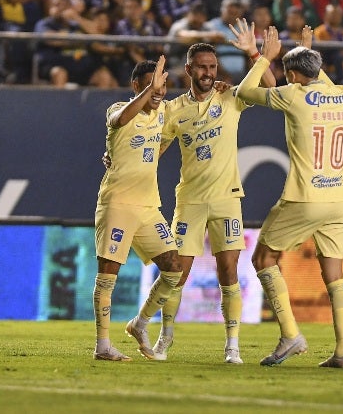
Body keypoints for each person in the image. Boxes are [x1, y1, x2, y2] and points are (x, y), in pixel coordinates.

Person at [150, 30, 275, 363]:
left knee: (229, 272)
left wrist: (254, 54)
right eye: (201, 67)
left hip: (226, 199)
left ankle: (232, 344)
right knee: (176, 273)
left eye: (212, 67)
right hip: (189, 199)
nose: (208, 73)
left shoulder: (231, 97)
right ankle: (165, 337)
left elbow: (272, 88)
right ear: (188, 70)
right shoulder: (173, 110)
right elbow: (155, 150)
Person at [235, 21, 343, 368]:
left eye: (287, 74)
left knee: (264, 260)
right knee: (334, 273)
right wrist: (304, 49)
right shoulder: (341, 93)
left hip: (304, 197)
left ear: (293, 75)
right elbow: (310, 78)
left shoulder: (292, 95)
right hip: (338, 198)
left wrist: (261, 58)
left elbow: (245, 92)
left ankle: (290, 334)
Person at [93, 56, 183, 361]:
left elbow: (190, 103)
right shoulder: (118, 109)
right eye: (151, 86)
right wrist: (151, 91)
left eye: (163, 86)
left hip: (147, 205)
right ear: (136, 86)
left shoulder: (163, 113)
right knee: (108, 275)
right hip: (117, 203)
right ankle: (103, 345)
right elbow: (119, 121)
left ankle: (140, 323)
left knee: (174, 268)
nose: (159, 92)